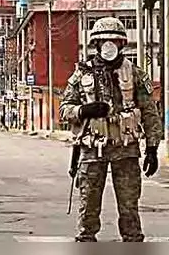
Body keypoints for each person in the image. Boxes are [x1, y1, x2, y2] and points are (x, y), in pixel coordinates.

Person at [60, 16, 163, 242]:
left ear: (122, 44)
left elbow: (149, 112)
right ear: (95, 45)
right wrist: (84, 111)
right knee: (88, 207)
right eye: (103, 41)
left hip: (125, 149)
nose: (108, 45)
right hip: (91, 149)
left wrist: (153, 149)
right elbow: (64, 109)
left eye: (114, 41)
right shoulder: (82, 75)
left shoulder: (135, 74)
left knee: (129, 208)